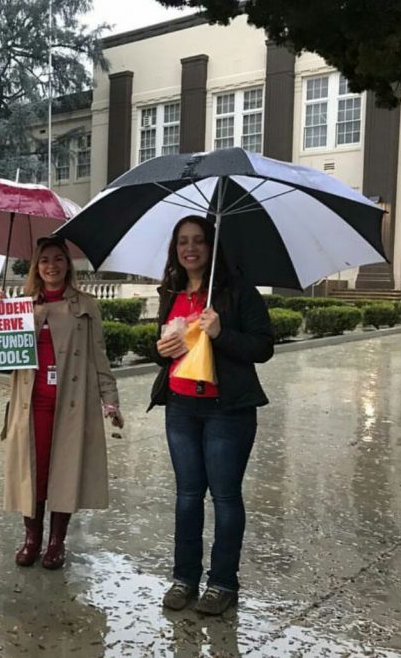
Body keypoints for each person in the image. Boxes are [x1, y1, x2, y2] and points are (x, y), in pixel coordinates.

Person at [150, 215, 274, 616]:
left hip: (228, 410)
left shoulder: (238, 291)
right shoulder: (172, 293)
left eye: (199, 241)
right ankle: (184, 577)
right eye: (183, 241)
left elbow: (262, 347)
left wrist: (221, 333)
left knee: (224, 497)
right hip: (181, 407)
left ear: (212, 246)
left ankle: (222, 583)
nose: (190, 248)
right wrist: (161, 350)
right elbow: (165, 348)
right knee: (187, 497)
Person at [2, 235, 123, 570]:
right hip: (32, 405)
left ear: (67, 265)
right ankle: (32, 538)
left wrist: (110, 400)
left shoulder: (85, 305)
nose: (51, 266)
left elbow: (100, 356)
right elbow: (0, 357)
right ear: (35, 267)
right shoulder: (21, 305)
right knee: (33, 472)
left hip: (71, 405)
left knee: (65, 473)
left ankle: (56, 542)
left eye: (58, 259)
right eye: (44, 260)